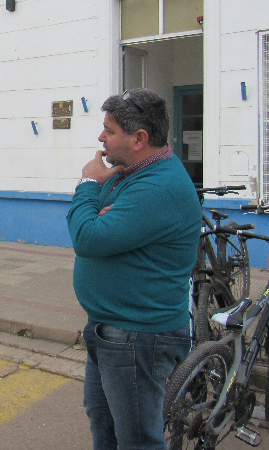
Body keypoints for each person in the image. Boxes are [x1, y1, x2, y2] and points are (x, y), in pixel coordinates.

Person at [67, 88, 201, 450]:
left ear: (139, 138)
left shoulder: (158, 186)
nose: (100, 138)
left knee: (138, 441)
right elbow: (97, 226)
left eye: (109, 130)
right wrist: (100, 208)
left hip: (137, 334)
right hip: (111, 327)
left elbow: (88, 237)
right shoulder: (131, 174)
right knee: (106, 427)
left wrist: (89, 184)